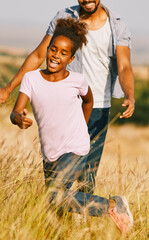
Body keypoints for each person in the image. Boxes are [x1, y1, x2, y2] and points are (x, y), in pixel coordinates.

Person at [10, 18, 133, 234]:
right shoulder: (31, 79)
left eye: (63, 53)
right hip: (50, 152)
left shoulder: (77, 80)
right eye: (53, 49)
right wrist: (18, 117)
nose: (56, 55)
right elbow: (16, 110)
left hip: (75, 147)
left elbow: (88, 102)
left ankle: (113, 206)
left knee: (56, 196)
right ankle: (61, 234)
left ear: (71, 58)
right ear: (48, 49)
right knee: (55, 204)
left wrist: (80, 129)